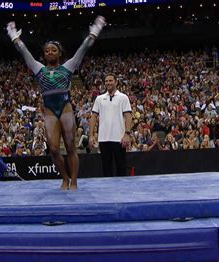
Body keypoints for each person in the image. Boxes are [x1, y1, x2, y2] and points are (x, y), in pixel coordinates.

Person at [7, 16, 106, 190]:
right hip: (50, 109)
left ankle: (74, 181)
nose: (50, 52)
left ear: (59, 53)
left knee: (70, 146)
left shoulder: (68, 67)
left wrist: (94, 32)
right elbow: (24, 52)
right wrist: (14, 36)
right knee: (53, 148)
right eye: (47, 51)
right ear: (44, 55)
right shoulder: (39, 69)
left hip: (65, 108)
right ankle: (64, 178)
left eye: (54, 50)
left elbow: (83, 49)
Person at [89, 73, 132, 177]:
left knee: (121, 169)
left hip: (119, 139)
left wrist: (127, 134)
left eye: (110, 80)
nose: (108, 83)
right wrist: (91, 135)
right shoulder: (99, 99)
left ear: (116, 82)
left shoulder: (123, 97)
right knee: (106, 170)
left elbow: (128, 116)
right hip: (103, 139)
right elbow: (94, 116)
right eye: (106, 81)